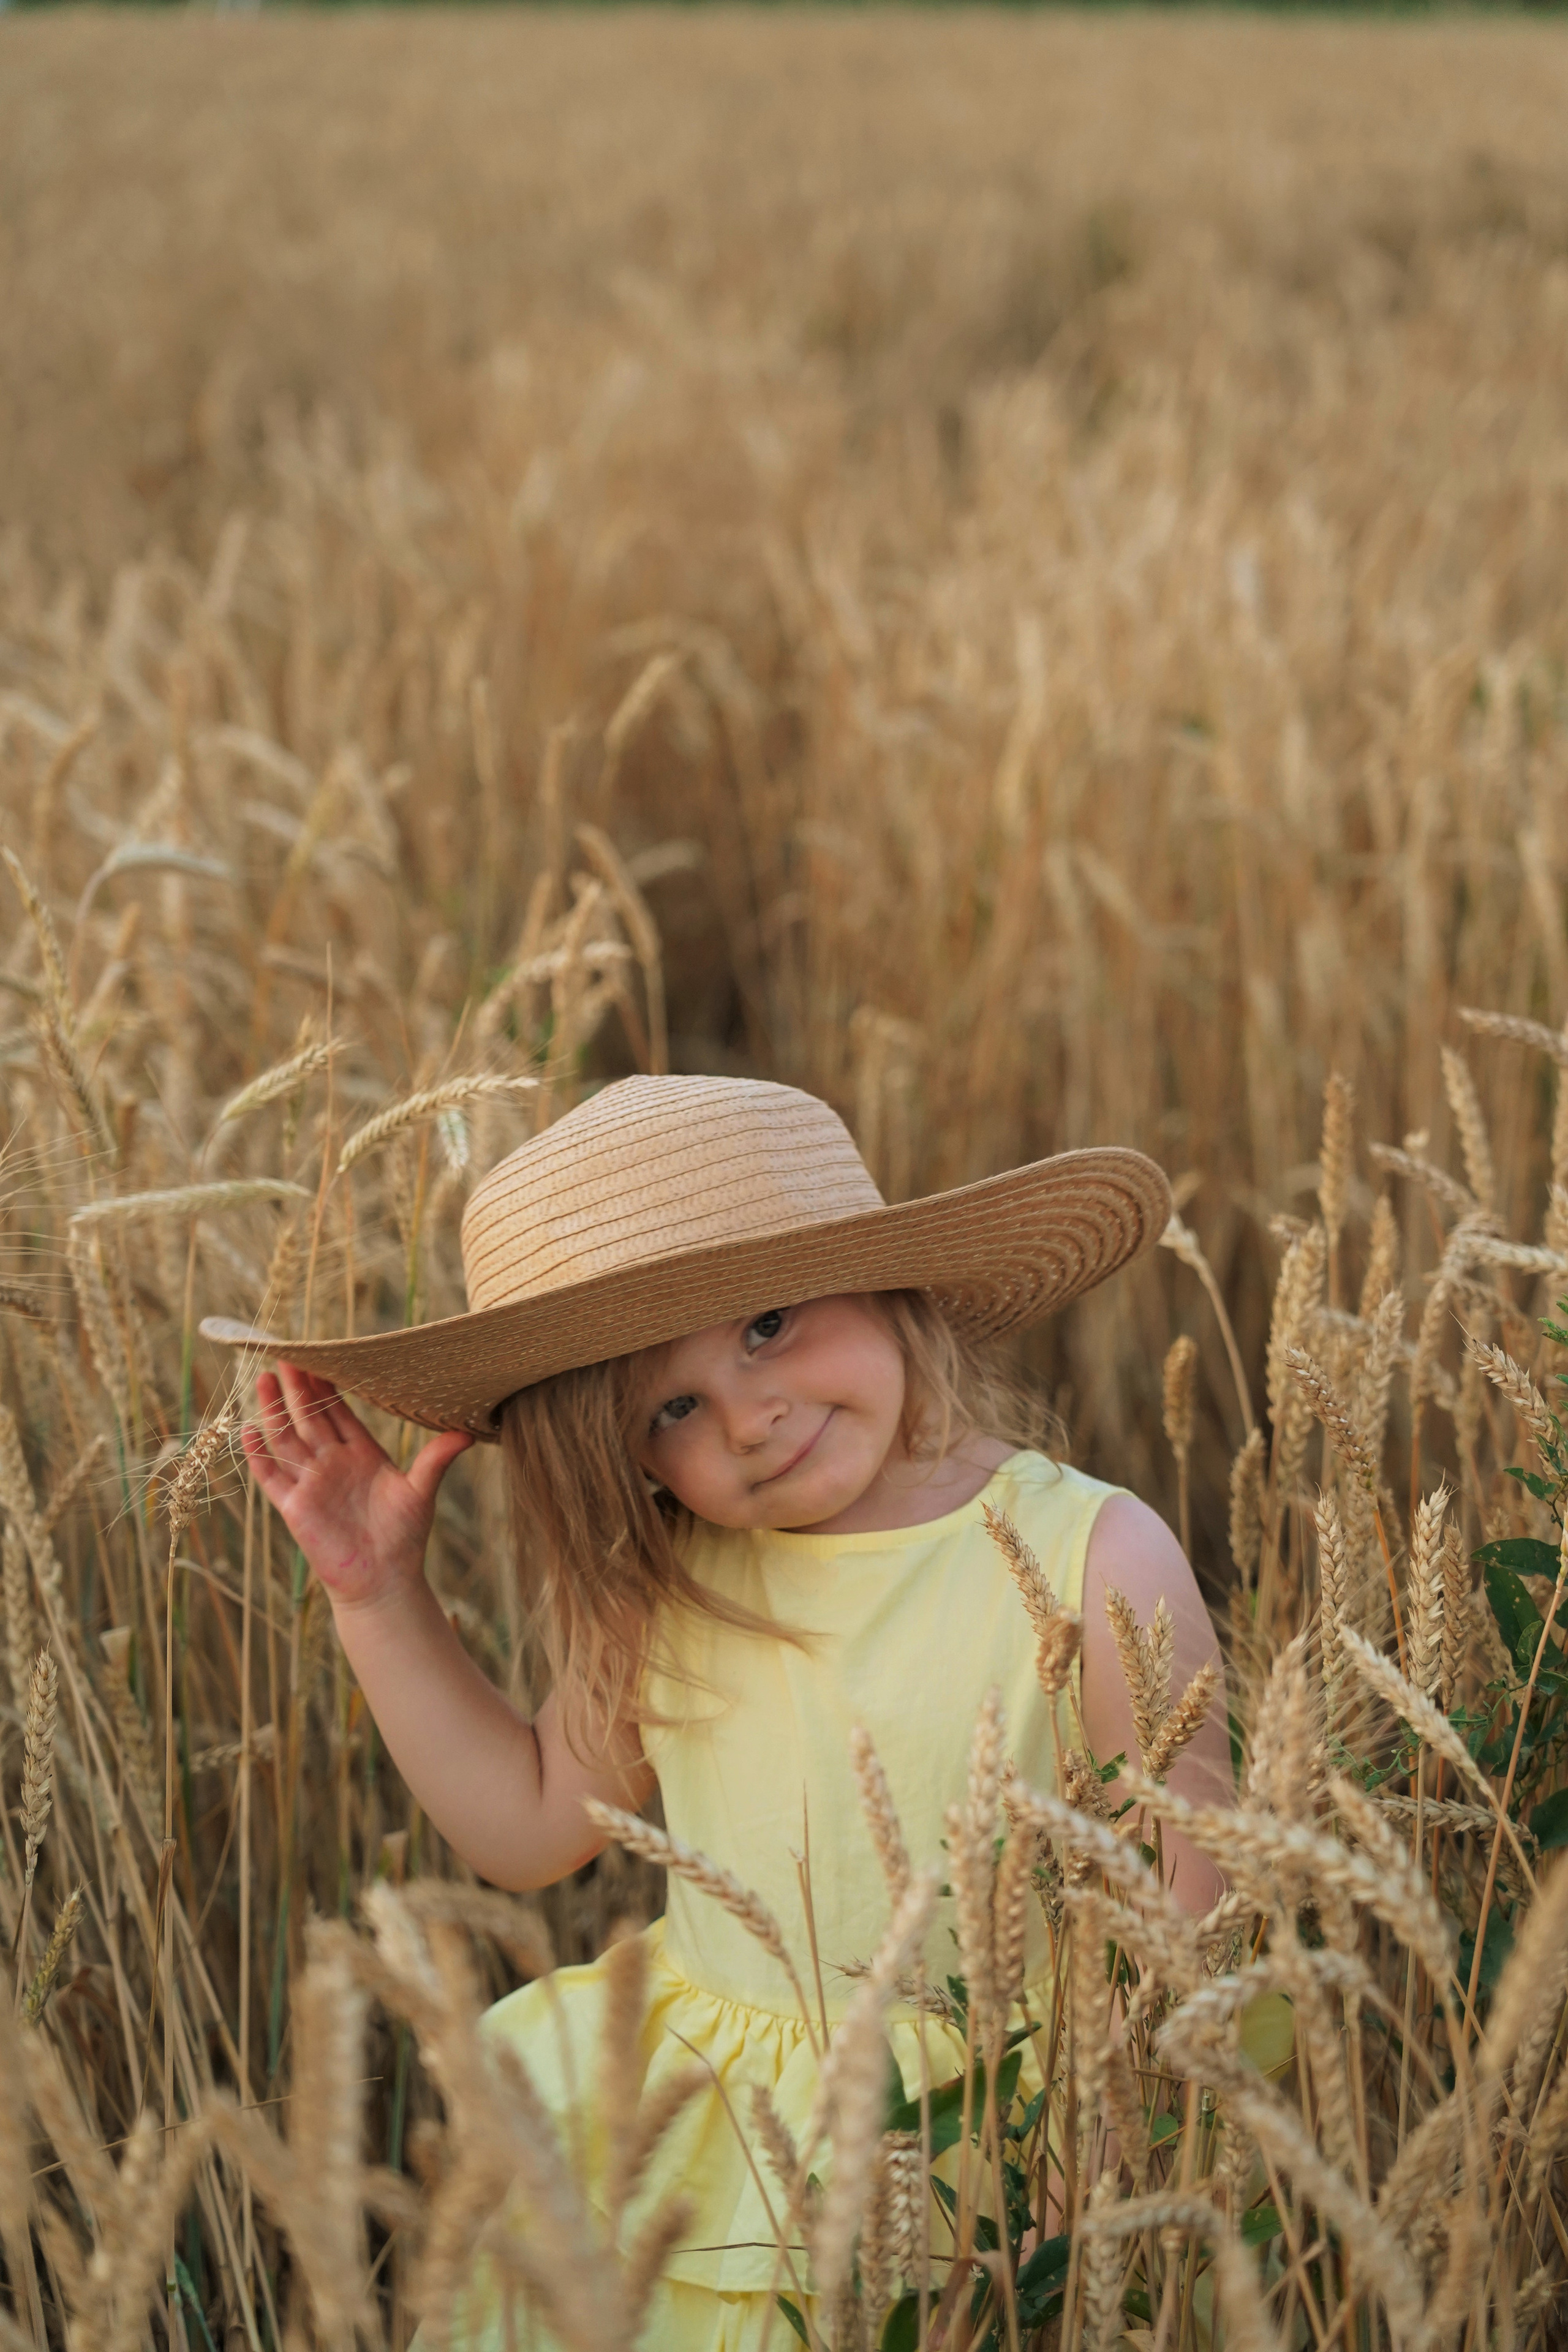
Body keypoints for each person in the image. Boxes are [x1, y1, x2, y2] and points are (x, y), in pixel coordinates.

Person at [209, 1074, 1230, 2349]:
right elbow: (526, 1828)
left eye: (767, 1325)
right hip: (707, 2171)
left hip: (1000, 2159)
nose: (750, 1418)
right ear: (625, 1457)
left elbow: (1191, 1927)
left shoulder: (1097, 1559)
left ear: (882, 1280)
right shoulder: (671, 1581)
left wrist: (1067, 2234)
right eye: (672, 1409)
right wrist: (378, 1598)